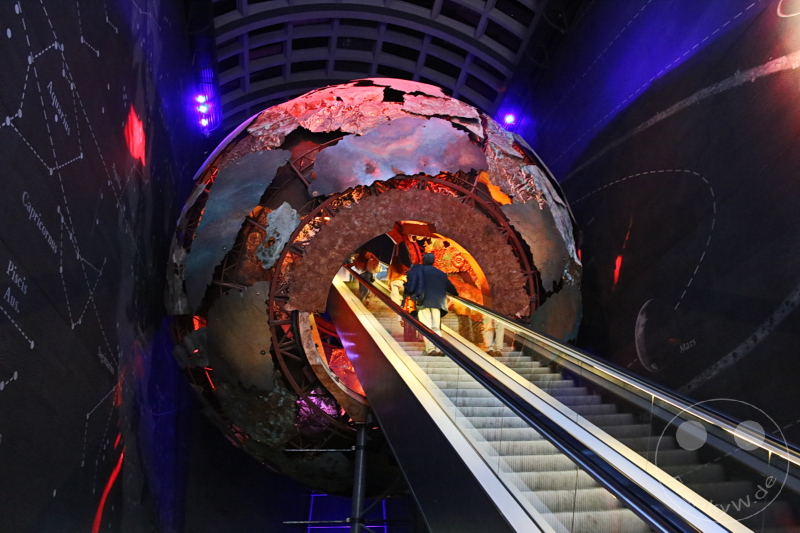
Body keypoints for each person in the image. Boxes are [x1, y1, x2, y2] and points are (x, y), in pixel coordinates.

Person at [404, 253, 458, 356]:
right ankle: (439, 348)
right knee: (436, 327)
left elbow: (411, 284)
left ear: (423, 260)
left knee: (426, 326)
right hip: (438, 303)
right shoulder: (441, 274)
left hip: (423, 302)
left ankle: (431, 349)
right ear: (433, 261)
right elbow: (452, 289)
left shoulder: (418, 271)